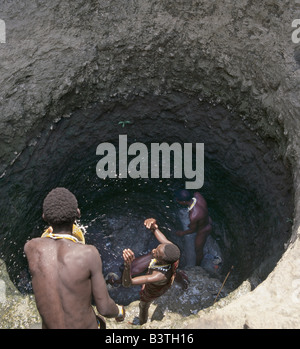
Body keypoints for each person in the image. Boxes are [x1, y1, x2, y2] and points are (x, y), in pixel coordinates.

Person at [24, 187, 125, 329]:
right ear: (77, 213)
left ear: (45, 217)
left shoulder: (30, 248)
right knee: (100, 321)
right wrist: (119, 311)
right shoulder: (89, 253)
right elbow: (105, 309)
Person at [122, 218, 180, 325]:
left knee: (143, 306)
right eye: (157, 247)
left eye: (156, 254)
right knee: (172, 275)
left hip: (153, 290)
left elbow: (127, 283)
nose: (153, 251)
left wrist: (127, 265)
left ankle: (142, 323)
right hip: (166, 279)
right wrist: (154, 227)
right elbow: (163, 239)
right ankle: (179, 279)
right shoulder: (172, 252)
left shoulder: (158, 276)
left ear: (162, 261)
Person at [175, 189, 212, 266]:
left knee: (198, 250)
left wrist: (182, 233)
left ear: (184, 202)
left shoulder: (194, 215)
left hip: (203, 230)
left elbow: (192, 230)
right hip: (208, 220)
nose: (177, 201)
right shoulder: (198, 195)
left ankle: (197, 266)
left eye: (179, 201)